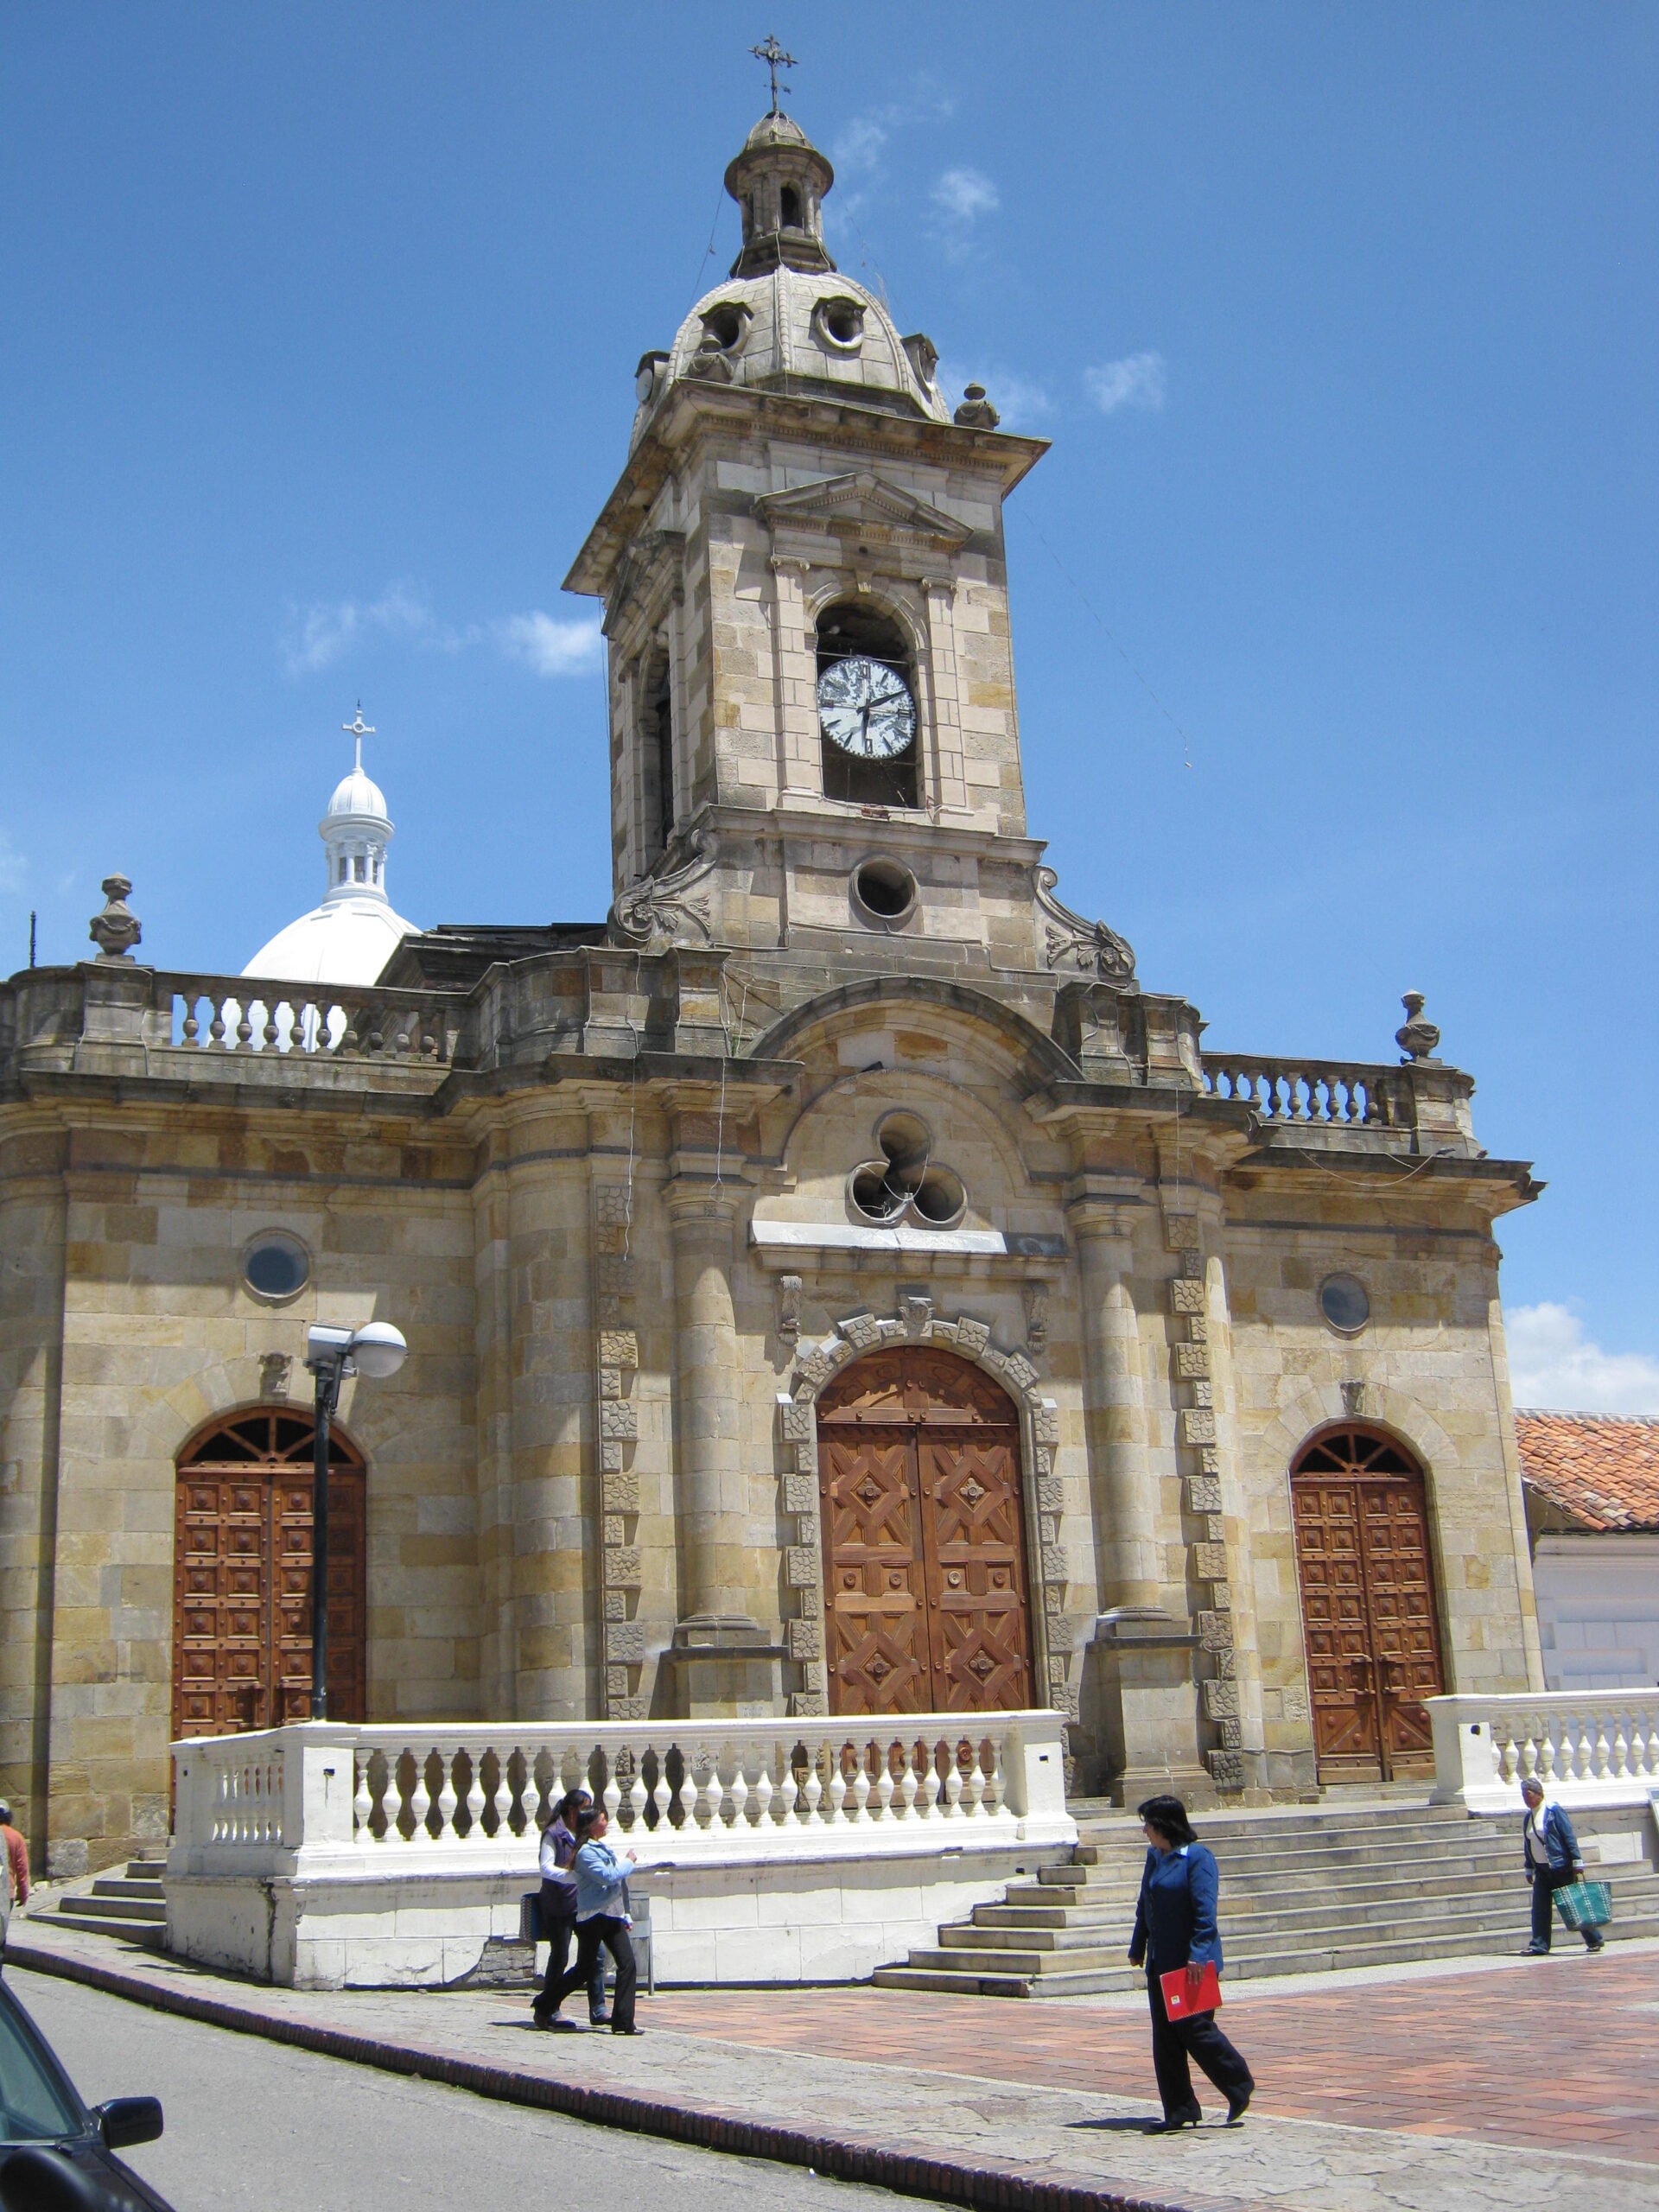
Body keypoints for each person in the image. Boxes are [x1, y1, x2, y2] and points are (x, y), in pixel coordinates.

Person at [1128, 1793, 1254, 2131]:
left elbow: (1204, 1912)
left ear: (1164, 1826)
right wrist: (1138, 1946)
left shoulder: (1197, 1858)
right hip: (1160, 1962)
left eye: (1148, 1826)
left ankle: (1239, 2083)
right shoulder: (1155, 1858)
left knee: (1196, 2030)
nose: (1145, 1833)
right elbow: (1146, 1905)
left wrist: (1198, 1954)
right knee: (1165, 2040)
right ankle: (1179, 2110)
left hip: (1191, 1964)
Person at [539, 1803, 639, 2035]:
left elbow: (616, 1884)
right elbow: (608, 1876)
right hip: (592, 1918)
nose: (606, 1822)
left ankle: (623, 2021)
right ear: (592, 1825)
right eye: (603, 1819)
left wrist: (624, 1912)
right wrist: (629, 1862)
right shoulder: (585, 1852)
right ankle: (545, 2004)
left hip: (610, 1916)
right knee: (584, 1969)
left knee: (627, 1964)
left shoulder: (599, 1848)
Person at [531, 1785, 608, 2029]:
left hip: (582, 1904)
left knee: (595, 1954)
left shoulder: (583, 1834)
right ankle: (550, 2009)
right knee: (560, 1955)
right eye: (585, 1808)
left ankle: (598, 2008)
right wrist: (571, 1876)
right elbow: (546, 1867)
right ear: (573, 1810)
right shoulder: (553, 1834)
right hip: (559, 1905)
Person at [1520, 1775, 1605, 1955]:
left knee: (1573, 1904)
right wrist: (1529, 1867)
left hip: (1560, 1867)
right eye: (1523, 1795)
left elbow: (1568, 1837)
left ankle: (1594, 1938)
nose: (1526, 1799)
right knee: (1540, 1909)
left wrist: (1577, 1861)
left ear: (1538, 1793)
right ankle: (1539, 1944)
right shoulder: (1528, 1817)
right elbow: (1529, 1844)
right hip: (1542, 1870)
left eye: (1528, 1794)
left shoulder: (1554, 1811)